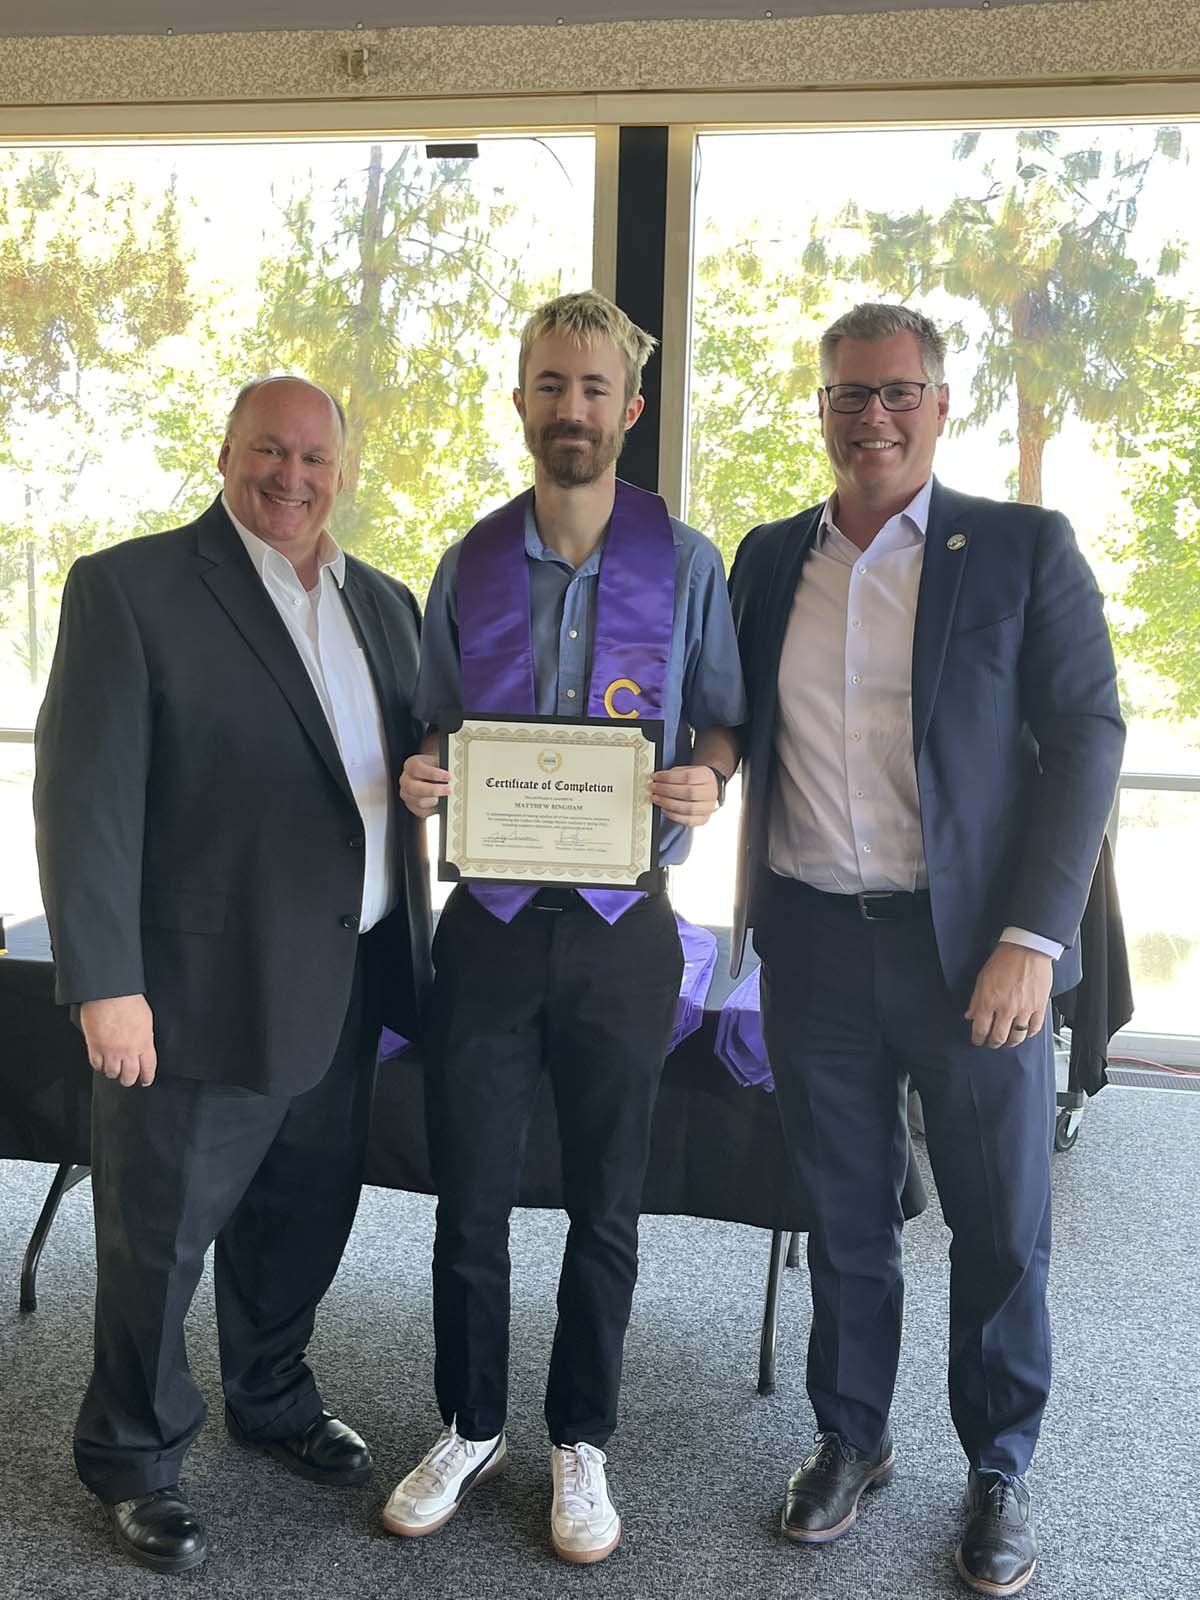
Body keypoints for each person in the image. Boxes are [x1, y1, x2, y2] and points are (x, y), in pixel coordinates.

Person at [727, 304, 1124, 1595]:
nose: (872, 417)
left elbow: (1090, 739)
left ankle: (999, 1463)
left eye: (898, 393)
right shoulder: (770, 557)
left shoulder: (1019, 548)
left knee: (1001, 1224)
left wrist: (1032, 939)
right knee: (844, 1216)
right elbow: (720, 716)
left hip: (973, 961)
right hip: (813, 943)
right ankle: (854, 1438)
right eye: (849, 394)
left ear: (942, 405)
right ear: (823, 406)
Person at [33, 376, 432, 1576]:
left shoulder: (387, 604)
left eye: (315, 456)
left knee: (306, 1210)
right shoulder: (131, 587)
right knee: (159, 1238)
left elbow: (405, 763)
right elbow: (82, 796)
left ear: (343, 470)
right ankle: (135, 1457)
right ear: (225, 454)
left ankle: (272, 1395)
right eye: (270, 450)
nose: (293, 476)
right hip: (195, 991)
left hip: (350, 975)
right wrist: (106, 981)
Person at [382, 290, 745, 1565]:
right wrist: (427, 770)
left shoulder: (685, 562)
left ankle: (580, 1437)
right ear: (521, 397)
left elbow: (721, 720)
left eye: (594, 389)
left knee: (605, 1201)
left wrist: (710, 775)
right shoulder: (467, 560)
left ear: (629, 410)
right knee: (467, 1194)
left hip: (622, 925)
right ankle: (470, 1420)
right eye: (550, 384)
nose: (571, 409)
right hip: (485, 923)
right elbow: (434, 720)